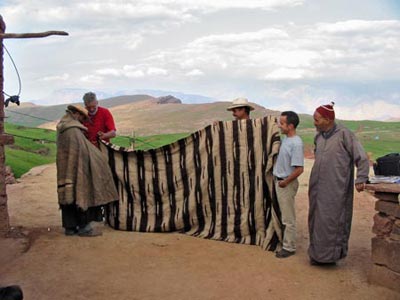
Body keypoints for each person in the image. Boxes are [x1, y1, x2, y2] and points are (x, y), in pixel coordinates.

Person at [308, 102, 369, 265]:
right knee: (316, 219)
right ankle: (316, 255)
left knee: (332, 221)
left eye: (317, 119)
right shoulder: (318, 136)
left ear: (327, 119)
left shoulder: (344, 134)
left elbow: (361, 157)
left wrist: (361, 177)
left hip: (336, 187)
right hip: (317, 186)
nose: (314, 123)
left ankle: (330, 257)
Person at [56, 105, 119, 237]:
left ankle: (70, 227)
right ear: (74, 114)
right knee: (81, 191)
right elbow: (83, 151)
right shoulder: (73, 130)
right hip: (78, 167)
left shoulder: (63, 127)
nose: (82, 120)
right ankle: (83, 226)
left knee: (69, 193)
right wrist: (96, 159)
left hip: (66, 167)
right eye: (81, 117)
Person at [273, 111, 304, 258]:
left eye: (282, 123)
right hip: (280, 181)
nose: (280, 125)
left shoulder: (296, 143)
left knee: (288, 217)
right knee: (283, 215)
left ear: (290, 126)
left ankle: (289, 247)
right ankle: (284, 241)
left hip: (286, 183)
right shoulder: (286, 139)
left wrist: (285, 182)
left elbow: (299, 169)